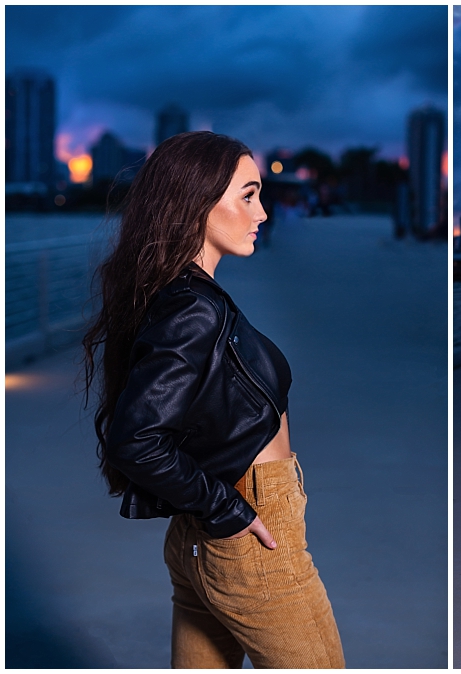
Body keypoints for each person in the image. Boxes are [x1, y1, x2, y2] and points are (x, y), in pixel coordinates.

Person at [82, 131, 345, 667]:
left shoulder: (177, 293)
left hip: (206, 532)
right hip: (249, 531)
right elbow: (135, 440)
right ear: (196, 204)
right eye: (247, 195)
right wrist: (228, 508)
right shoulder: (192, 308)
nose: (263, 213)